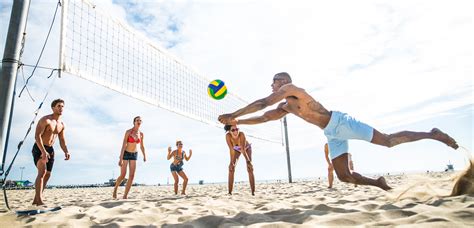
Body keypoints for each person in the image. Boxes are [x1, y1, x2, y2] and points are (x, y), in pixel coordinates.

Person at [218, 72, 459, 191]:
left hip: (341, 122)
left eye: (274, 82)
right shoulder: (285, 107)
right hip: (331, 134)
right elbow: (263, 116)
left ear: (282, 82)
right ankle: (380, 184)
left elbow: (263, 103)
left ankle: (432, 133)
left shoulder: (292, 89)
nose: (271, 85)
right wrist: (237, 123)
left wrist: (234, 115)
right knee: (344, 176)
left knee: (387, 141)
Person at [32, 99, 71, 206]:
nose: (61, 108)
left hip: (50, 149)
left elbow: (62, 140)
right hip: (40, 147)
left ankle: (36, 199)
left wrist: (66, 151)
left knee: (48, 174)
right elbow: (37, 136)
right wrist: (43, 152)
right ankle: (39, 200)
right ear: (53, 108)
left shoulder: (61, 124)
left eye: (62, 106)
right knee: (42, 172)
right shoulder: (46, 120)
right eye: (58, 106)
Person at [113, 116, 147, 199]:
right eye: (137, 120)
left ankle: (125, 196)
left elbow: (142, 146)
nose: (139, 121)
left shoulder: (141, 134)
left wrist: (144, 155)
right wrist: (120, 158)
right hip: (126, 153)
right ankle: (115, 189)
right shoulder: (128, 132)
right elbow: (124, 144)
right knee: (123, 175)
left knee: (132, 176)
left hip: (134, 154)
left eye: (140, 120)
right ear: (134, 122)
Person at [224, 124, 255, 195]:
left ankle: (253, 192)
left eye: (237, 129)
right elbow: (231, 149)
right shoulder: (228, 136)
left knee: (250, 168)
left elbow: (243, 149)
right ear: (229, 131)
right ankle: (229, 192)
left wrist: (248, 161)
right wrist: (231, 162)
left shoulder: (241, 134)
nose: (236, 132)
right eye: (233, 130)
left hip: (246, 148)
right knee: (231, 168)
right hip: (236, 149)